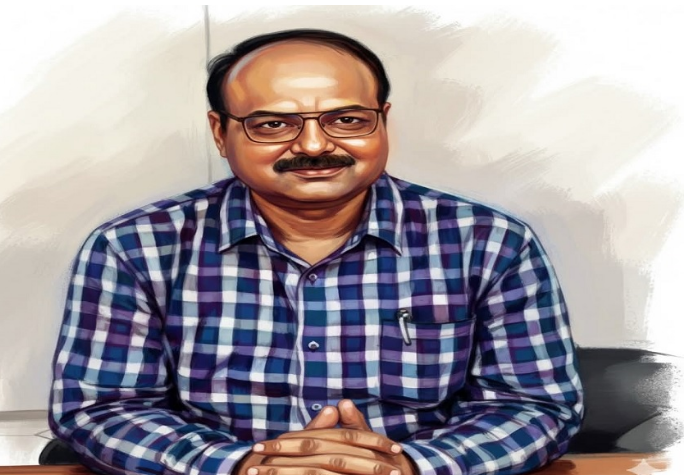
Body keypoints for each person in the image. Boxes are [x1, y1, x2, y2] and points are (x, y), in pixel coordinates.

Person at [49, 29, 584, 475]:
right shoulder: (136, 247)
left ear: (383, 120)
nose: (313, 146)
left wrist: (409, 466)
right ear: (220, 132)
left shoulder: (488, 242)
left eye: (347, 119)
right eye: (272, 124)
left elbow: (534, 405)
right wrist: (243, 467)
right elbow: (103, 408)